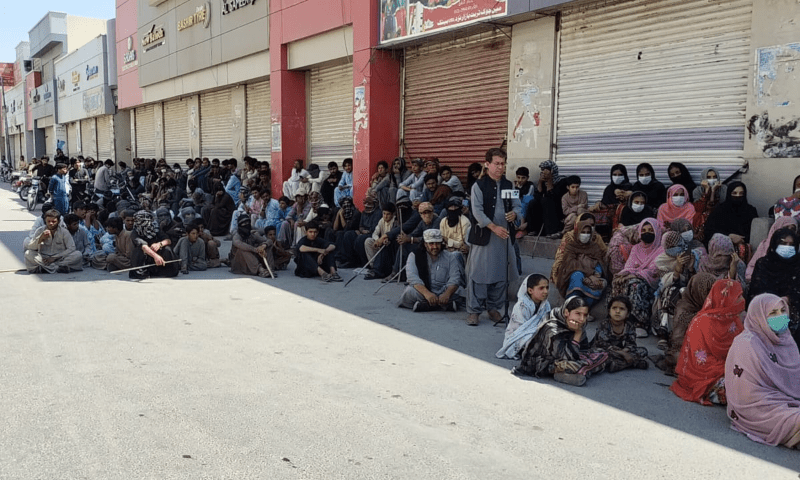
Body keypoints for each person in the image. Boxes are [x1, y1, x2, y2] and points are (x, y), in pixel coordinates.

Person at [724, 293, 800, 448]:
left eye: (782, 311)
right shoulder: (746, 344)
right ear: (759, 315)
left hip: (786, 401)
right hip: (759, 408)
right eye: (773, 313)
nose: (780, 316)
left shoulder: (785, 339)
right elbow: (745, 395)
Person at [466, 148, 521, 326]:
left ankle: (494, 308)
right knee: (479, 274)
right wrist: (493, 227)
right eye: (496, 164)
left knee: (501, 274)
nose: (500, 167)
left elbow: (518, 206)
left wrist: (514, 214)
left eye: (503, 164)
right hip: (485, 235)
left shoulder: (509, 185)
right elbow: (477, 212)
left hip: (504, 237)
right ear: (487, 164)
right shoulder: (479, 186)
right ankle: (474, 311)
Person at [670, 279, 745, 405]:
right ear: (726, 297)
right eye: (738, 296)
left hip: (727, 367)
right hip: (704, 375)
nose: (742, 299)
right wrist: (727, 368)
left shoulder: (735, 321)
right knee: (738, 386)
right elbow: (699, 360)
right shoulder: (701, 322)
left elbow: (741, 350)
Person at [511, 296, 609, 386]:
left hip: (569, 355)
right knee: (573, 365)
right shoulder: (551, 328)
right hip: (546, 362)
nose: (582, 319)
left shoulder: (579, 324)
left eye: (585, 315)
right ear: (566, 312)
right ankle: (564, 373)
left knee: (602, 353)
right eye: (578, 314)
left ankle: (577, 372)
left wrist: (586, 354)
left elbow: (584, 348)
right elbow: (566, 357)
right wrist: (577, 334)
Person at [652, 272, 717, 374]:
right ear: (697, 289)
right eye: (706, 290)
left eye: (712, 291)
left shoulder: (713, 307)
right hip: (685, 349)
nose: (709, 295)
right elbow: (678, 340)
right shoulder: (684, 308)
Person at [747, 227, 800, 347]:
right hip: (768, 312)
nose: (787, 247)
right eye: (783, 243)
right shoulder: (763, 264)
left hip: (794, 310)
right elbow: (756, 295)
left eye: (791, 244)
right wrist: (776, 303)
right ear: (774, 244)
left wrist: (789, 299)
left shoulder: (798, 265)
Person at [611, 217, 663, 337]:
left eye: (650, 230)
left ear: (656, 231)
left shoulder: (661, 249)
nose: (646, 233)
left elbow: (653, 271)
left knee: (635, 285)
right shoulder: (636, 248)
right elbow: (628, 266)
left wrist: (632, 274)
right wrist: (625, 275)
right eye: (643, 230)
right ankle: (619, 319)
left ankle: (641, 323)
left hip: (651, 284)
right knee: (617, 281)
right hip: (635, 277)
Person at [398, 229, 465, 312]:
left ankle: (426, 305)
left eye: (437, 243)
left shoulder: (450, 257)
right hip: (423, 292)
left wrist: (447, 294)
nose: (435, 247)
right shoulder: (414, 256)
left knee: (460, 290)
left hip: (443, 291)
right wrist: (427, 294)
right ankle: (443, 306)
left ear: (441, 243)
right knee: (409, 292)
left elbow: (455, 278)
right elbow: (412, 278)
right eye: (431, 244)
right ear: (425, 244)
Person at [550, 213, 607, 306]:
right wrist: (588, 274)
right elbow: (570, 262)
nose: (586, 235)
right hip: (573, 271)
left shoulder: (595, 245)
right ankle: (573, 307)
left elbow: (600, 260)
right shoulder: (571, 244)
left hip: (593, 275)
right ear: (578, 230)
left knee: (598, 285)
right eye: (583, 232)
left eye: (588, 232)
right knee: (577, 276)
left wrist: (596, 275)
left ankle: (584, 308)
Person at [496, 274, 552, 360]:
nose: (545, 291)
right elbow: (521, 330)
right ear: (530, 290)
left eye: (547, 288)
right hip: (519, 336)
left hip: (537, 333)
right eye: (541, 288)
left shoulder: (546, 305)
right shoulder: (522, 306)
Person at [590, 296, 649, 372]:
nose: (617, 311)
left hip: (620, 351)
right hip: (605, 350)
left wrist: (625, 351)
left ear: (628, 313)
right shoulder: (604, 324)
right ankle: (633, 363)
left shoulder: (629, 326)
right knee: (600, 354)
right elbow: (603, 344)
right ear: (609, 311)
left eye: (622, 309)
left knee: (643, 351)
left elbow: (631, 344)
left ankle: (619, 365)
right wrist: (623, 354)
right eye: (614, 308)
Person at [702, 181, 758, 251]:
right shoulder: (720, 210)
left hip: (743, 247)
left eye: (741, 193)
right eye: (734, 193)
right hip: (722, 247)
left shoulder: (750, 211)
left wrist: (742, 240)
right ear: (729, 194)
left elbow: (755, 233)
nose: (738, 196)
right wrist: (729, 236)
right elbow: (709, 230)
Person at [23, 209, 83, 274]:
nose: (51, 223)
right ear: (45, 221)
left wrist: (54, 257)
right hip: (43, 259)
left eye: (53, 221)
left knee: (78, 254)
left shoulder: (64, 232)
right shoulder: (40, 230)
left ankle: (47, 268)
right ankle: (57, 268)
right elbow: (31, 247)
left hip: (59, 258)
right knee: (28, 254)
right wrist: (40, 238)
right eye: (48, 221)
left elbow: (72, 248)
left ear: (58, 221)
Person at [129, 210, 180, 280]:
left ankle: (167, 270)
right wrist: (156, 256)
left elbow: (168, 240)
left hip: (158, 252)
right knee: (138, 251)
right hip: (146, 256)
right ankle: (142, 272)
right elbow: (143, 246)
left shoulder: (156, 229)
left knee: (167, 249)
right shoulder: (135, 233)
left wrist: (159, 244)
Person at [746, 216, 797, 281]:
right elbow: (751, 269)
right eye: (785, 228)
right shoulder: (764, 246)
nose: (788, 231)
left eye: (792, 229)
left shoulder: (796, 251)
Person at [525, 160, 568, 236]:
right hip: (543, 211)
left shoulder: (562, 182)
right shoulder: (544, 183)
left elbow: (554, 197)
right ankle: (534, 229)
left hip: (557, 210)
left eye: (546, 170)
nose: (544, 172)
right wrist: (540, 182)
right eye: (542, 170)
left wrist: (550, 181)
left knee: (546, 201)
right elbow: (538, 196)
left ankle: (552, 231)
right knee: (533, 202)